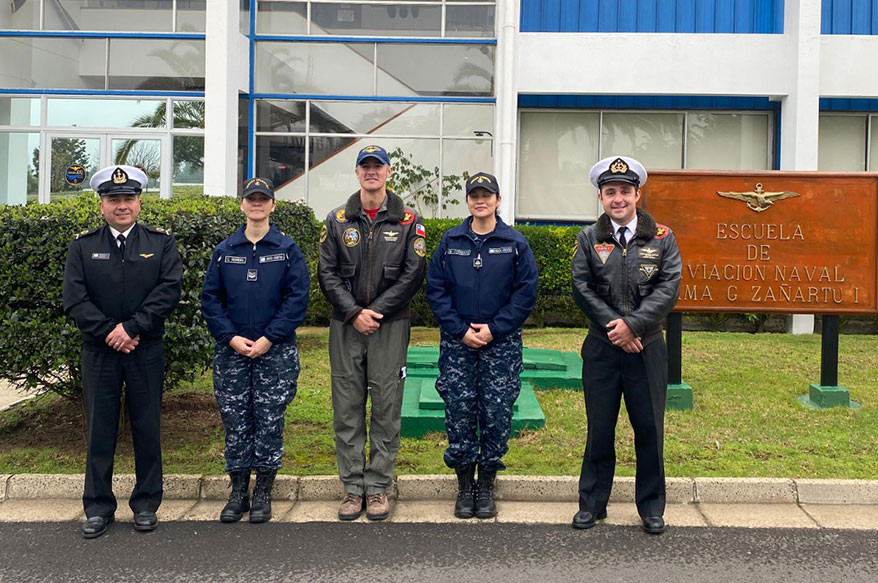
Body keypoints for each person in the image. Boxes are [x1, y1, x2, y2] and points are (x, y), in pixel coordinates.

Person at [63, 165, 182, 539]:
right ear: (102, 205)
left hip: (143, 348)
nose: (121, 206)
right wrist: (109, 333)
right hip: (100, 352)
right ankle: (98, 506)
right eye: (114, 199)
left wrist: (130, 329)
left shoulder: (160, 243)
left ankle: (146, 503)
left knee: (146, 426)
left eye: (128, 199)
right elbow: (74, 299)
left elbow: (169, 291)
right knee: (100, 427)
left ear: (139, 202)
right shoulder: (83, 246)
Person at [570, 156, 681, 535]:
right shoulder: (588, 239)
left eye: (624, 191)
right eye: (610, 192)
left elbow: (668, 289)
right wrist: (614, 328)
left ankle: (651, 506)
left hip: (647, 347)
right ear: (601, 197)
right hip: (602, 348)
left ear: (638, 194)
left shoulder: (663, 239)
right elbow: (581, 288)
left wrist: (632, 326)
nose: (618, 198)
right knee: (599, 427)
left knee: (649, 427)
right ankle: (592, 503)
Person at [318, 144, 426, 521]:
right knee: (347, 405)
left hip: (389, 325)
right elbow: (327, 273)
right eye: (365, 167)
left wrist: (375, 311)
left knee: (386, 404)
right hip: (345, 326)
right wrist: (352, 313)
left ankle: (378, 486)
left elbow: (413, 274)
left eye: (377, 166)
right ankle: (352, 488)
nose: (371, 172)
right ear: (357, 173)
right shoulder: (337, 219)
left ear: (389, 172)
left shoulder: (409, 220)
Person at [426, 172, 538, 519]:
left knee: (496, 413)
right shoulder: (450, 241)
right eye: (474, 195)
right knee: (459, 411)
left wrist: (494, 329)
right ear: (468, 201)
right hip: (458, 344)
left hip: (500, 345)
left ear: (498, 201)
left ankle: (487, 484)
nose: (480, 200)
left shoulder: (514, 243)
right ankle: (464, 485)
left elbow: (525, 294)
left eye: (487, 195)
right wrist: (460, 330)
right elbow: (436, 289)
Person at [201, 177, 309, 524]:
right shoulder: (225, 251)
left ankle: (263, 490)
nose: (257, 204)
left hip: (273, 353)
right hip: (232, 352)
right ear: (243, 205)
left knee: (269, 421)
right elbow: (211, 301)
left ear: (273, 205)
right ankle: (237, 491)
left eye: (264, 199)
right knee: (235, 421)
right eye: (252, 199)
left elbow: (297, 300)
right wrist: (230, 337)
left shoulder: (287, 249)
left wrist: (269, 338)